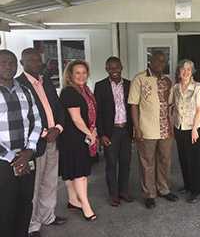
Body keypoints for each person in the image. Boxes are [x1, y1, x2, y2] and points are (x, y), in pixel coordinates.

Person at [16, 48, 66, 237]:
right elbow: (24, 118)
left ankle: (47, 217)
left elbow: (58, 108)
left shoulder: (46, 82)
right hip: (35, 144)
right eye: (31, 60)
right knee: (34, 186)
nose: (36, 63)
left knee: (51, 182)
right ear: (23, 63)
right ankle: (32, 225)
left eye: (38, 60)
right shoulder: (19, 85)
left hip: (54, 140)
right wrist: (45, 132)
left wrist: (58, 128)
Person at [0, 50, 42, 237]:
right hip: (3, 162)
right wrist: (13, 157)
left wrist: (28, 151)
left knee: (25, 203)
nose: (8, 66)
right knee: (5, 207)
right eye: (2, 63)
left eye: (11, 62)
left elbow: (37, 121)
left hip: (26, 157)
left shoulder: (25, 91)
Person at [128, 51, 178, 209]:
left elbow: (171, 106)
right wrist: (137, 128)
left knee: (165, 161)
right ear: (150, 60)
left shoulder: (167, 81)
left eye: (163, 61)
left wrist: (173, 126)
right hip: (147, 129)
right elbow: (134, 105)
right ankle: (149, 194)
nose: (160, 64)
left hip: (166, 129)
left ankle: (163, 189)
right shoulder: (139, 79)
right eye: (157, 60)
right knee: (147, 163)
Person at [58, 60, 97, 220]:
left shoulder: (84, 90)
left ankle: (73, 200)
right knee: (80, 173)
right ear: (70, 75)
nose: (81, 76)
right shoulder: (69, 92)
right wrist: (91, 134)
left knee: (72, 171)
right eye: (77, 73)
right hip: (73, 138)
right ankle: (86, 206)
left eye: (84, 72)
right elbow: (76, 119)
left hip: (78, 136)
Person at [94, 57, 133, 207]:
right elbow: (98, 113)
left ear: (121, 67)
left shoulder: (129, 85)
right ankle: (113, 194)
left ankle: (123, 191)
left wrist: (134, 129)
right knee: (111, 163)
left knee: (126, 162)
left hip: (126, 130)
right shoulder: (100, 86)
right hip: (111, 132)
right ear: (106, 69)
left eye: (117, 67)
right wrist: (101, 134)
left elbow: (133, 108)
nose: (114, 70)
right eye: (111, 67)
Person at [169, 59, 200, 203]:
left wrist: (195, 129)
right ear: (179, 71)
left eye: (189, 69)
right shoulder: (175, 88)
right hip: (179, 128)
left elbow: (199, 109)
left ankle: (197, 190)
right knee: (183, 159)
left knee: (194, 160)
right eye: (183, 69)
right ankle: (188, 185)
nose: (185, 72)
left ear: (192, 72)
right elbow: (170, 105)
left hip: (194, 128)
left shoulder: (197, 87)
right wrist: (172, 123)